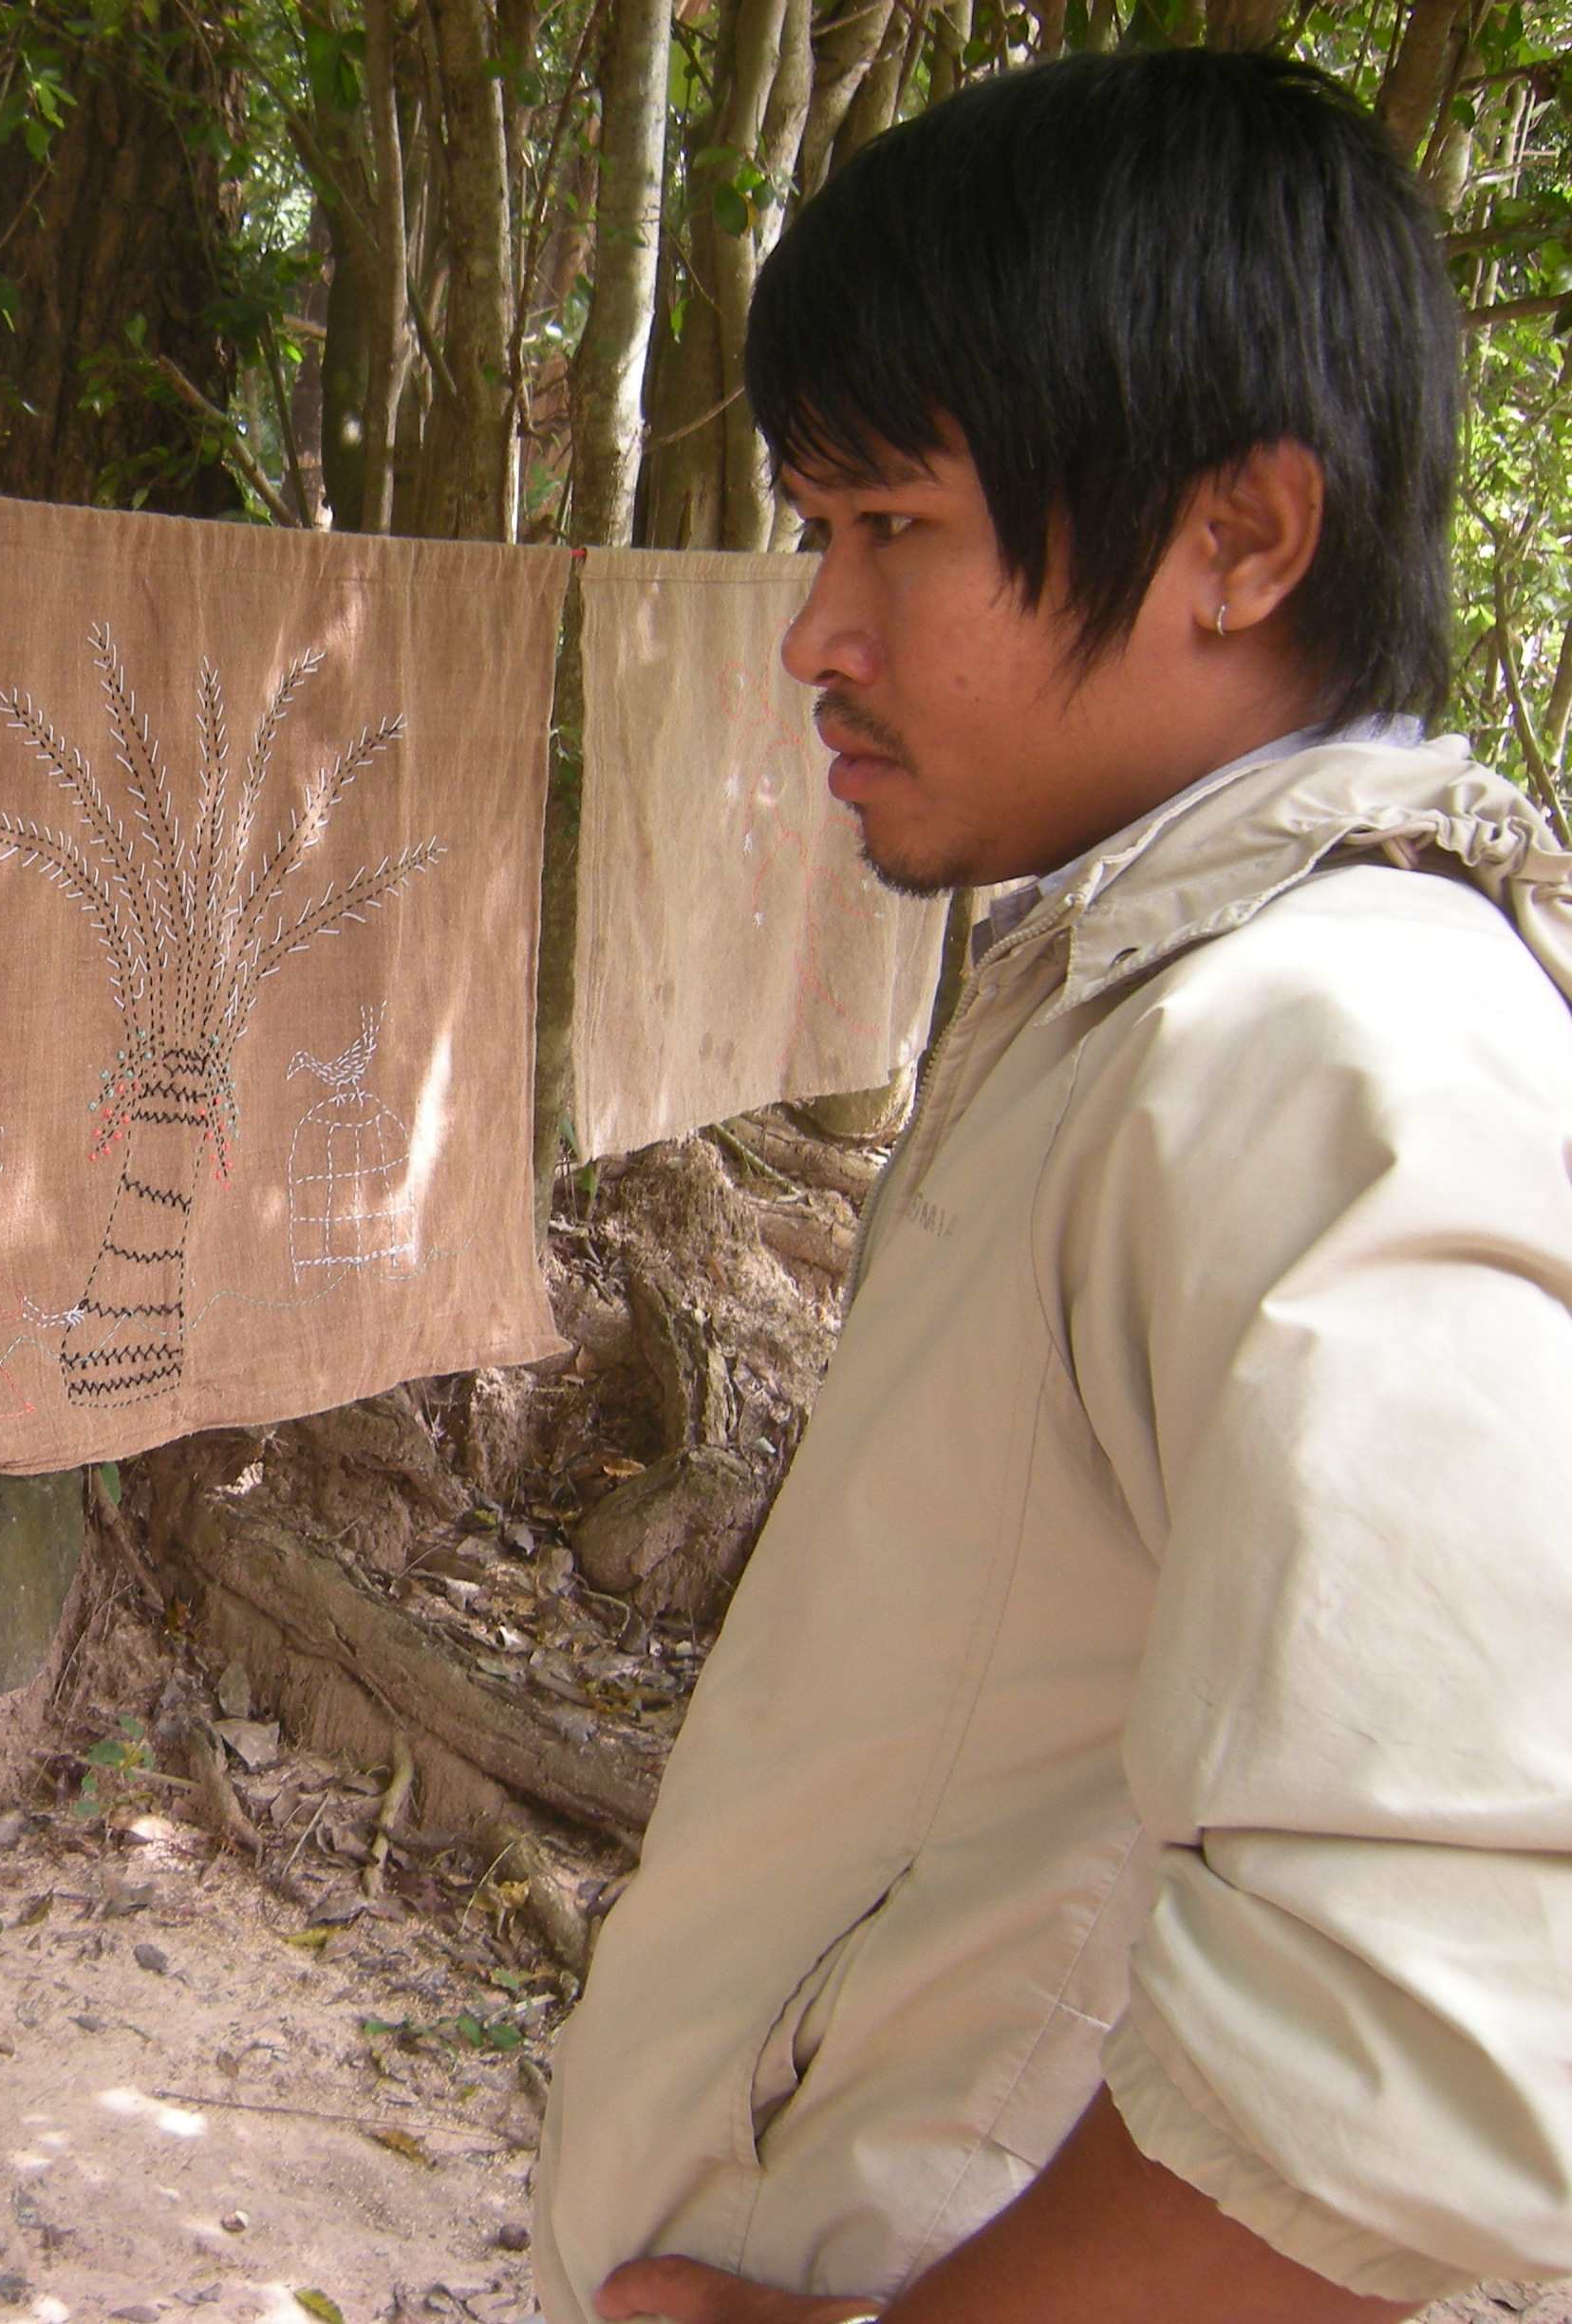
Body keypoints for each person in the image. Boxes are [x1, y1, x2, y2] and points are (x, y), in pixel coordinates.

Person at [529, 48, 1572, 2324]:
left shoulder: (1331, 1049)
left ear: (1243, 537)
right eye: (819, 531)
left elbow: (1457, 2026)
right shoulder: (1139, 1005)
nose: (815, 628)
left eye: (892, 526)